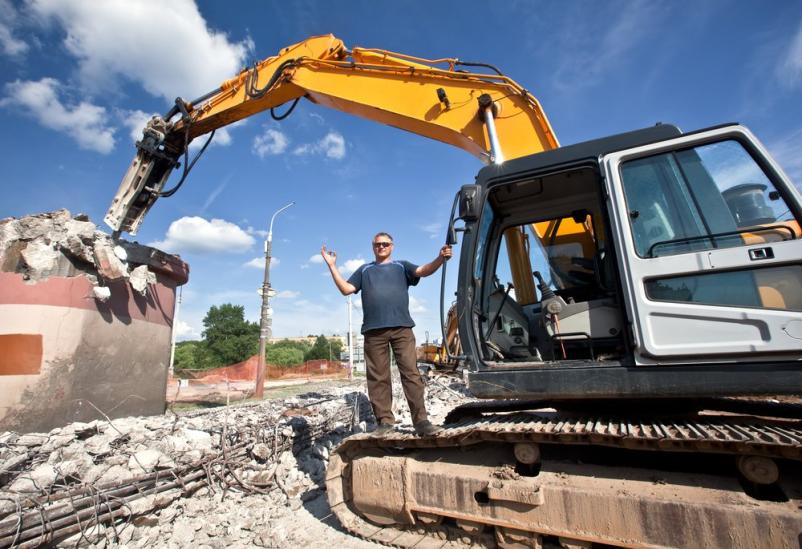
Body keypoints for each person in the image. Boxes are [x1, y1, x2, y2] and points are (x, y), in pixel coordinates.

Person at [321, 232, 452, 436]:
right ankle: (385, 423)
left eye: (385, 244)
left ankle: (421, 422)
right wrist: (331, 265)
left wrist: (440, 258)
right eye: (377, 244)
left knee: (411, 373)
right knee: (378, 378)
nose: (381, 247)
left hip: (402, 329)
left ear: (392, 246)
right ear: (373, 247)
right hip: (373, 332)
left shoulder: (402, 266)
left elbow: (423, 270)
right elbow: (346, 289)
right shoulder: (365, 270)